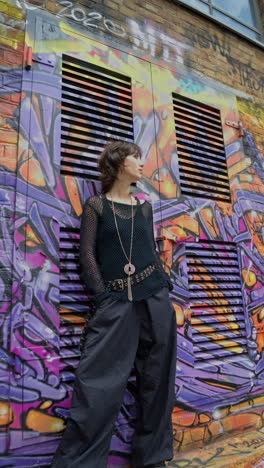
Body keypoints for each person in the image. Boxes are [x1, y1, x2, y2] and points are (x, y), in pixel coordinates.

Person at [51, 141, 177, 468]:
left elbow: (148, 249)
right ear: (120, 164)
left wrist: (164, 282)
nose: (143, 163)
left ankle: (152, 458)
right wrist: (103, 296)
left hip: (155, 299)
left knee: (158, 380)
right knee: (97, 383)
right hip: (115, 301)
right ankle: (79, 463)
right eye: (137, 157)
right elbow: (87, 256)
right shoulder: (96, 206)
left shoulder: (144, 208)